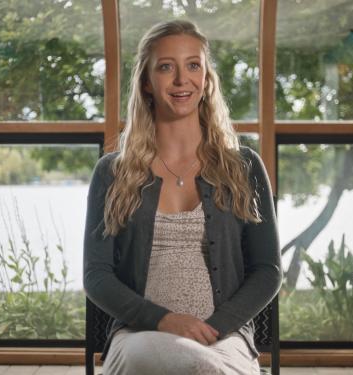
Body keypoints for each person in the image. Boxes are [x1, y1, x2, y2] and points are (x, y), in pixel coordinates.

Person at [83, 20, 282, 375]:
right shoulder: (112, 172)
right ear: (146, 81)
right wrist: (164, 320)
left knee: (203, 365)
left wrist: (213, 328)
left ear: (206, 80)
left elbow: (267, 270)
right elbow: (97, 276)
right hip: (138, 336)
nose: (181, 80)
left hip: (225, 337)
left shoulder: (244, 166)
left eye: (193, 65)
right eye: (165, 67)